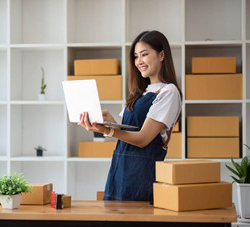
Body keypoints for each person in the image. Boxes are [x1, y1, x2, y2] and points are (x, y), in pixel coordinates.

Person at [78, 30, 182, 203]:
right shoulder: (140, 92)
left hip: (142, 177)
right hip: (119, 172)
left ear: (161, 55)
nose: (139, 61)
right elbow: (129, 132)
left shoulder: (168, 92)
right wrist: (110, 123)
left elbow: (142, 139)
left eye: (144, 54)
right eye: (135, 56)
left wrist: (109, 131)